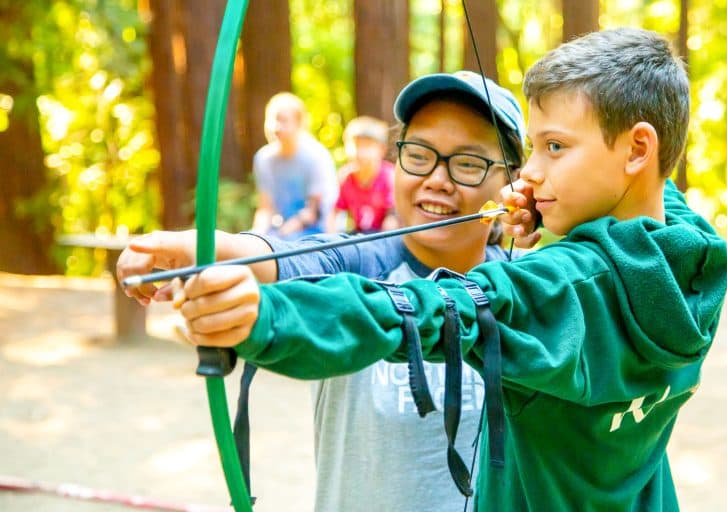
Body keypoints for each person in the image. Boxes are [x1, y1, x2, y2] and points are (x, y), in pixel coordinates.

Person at [170, 28, 727, 511]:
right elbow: (653, 196)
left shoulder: (557, 286)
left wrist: (264, 317)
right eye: (532, 151)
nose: (532, 175)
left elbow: (439, 307)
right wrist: (561, 206)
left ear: (637, 149)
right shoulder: (691, 259)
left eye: (554, 147)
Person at [118, 72, 527, 511]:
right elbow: (285, 259)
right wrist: (194, 249)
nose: (437, 179)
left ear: (512, 183)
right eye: (419, 154)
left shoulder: (524, 287)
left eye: (467, 163)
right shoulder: (359, 262)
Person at [251, 92, 338, 239]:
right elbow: (265, 208)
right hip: (279, 231)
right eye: (273, 120)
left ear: (299, 123)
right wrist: (255, 235)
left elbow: (314, 212)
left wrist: (282, 234)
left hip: (315, 231)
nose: (277, 127)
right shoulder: (263, 159)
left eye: (284, 121)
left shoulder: (316, 156)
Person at [329, 115, 398, 233]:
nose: (359, 152)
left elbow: (393, 220)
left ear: (381, 149)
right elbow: (333, 215)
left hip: (384, 236)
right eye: (355, 145)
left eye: (366, 146)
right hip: (359, 235)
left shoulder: (390, 177)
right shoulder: (345, 178)